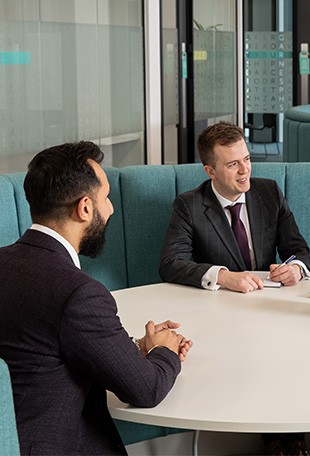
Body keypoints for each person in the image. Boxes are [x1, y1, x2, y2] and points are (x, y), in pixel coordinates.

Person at [0, 142, 192, 455]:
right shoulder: (78, 294)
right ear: (85, 208)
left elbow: (43, 348)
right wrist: (163, 350)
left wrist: (131, 349)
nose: (112, 208)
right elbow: (146, 389)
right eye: (106, 198)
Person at [159, 121, 310, 455]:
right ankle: (272, 440)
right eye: (233, 164)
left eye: (246, 159)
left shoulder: (269, 191)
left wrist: (295, 270)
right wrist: (223, 276)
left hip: (272, 312)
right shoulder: (189, 205)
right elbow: (171, 262)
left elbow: (299, 249)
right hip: (220, 320)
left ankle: (294, 438)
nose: (245, 171)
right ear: (210, 170)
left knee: (296, 352)